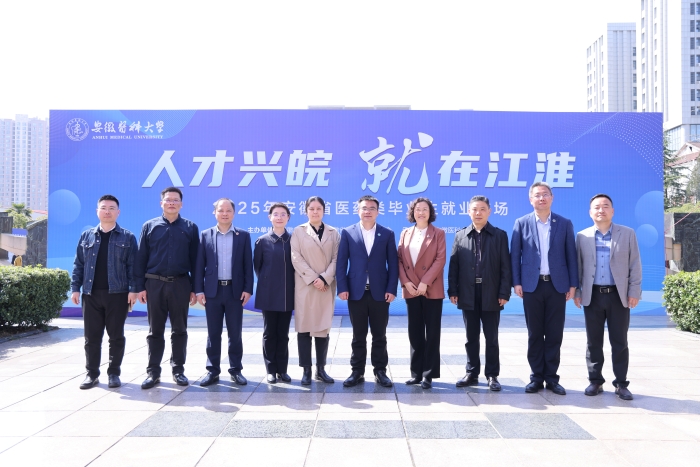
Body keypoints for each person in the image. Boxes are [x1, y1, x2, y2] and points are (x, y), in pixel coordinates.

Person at [511, 181, 578, 395]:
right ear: (530, 199)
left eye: (545, 194)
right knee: (535, 334)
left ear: (552, 198)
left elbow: (571, 255)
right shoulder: (521, 223)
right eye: (537, 195)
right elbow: (515, 256)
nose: (542, 198)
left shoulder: (564, 223)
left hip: (557, 286)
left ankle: (552, 378)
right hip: (532, 286)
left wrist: (573, 284)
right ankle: (536, 377)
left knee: (554, 334)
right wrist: (517, 282)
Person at [574, 194, 641, 401]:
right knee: (593, 341)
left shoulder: (627, 234)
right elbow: (578, 267)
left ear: (612, 211)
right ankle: (595, 381)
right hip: (592, 295)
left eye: (605, 206)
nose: (601, 210)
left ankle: (621, 383)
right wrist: (578, 292)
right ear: (590, 212)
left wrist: (634, 291)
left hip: (618, 295)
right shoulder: (582, 236)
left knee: (619, 341)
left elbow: (635, 264)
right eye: (596, 207)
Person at [70, 195, 138, 389]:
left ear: (118, 212)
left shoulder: (128, 237)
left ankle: (114, 374)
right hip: (90, 294)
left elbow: (133, 267)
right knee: (91, 337)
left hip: (118, 294)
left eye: (111, 208)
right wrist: (75, 288)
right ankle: (91, 374)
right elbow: (79, 264)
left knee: (116, 336)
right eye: (104, 208)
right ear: (97, 211)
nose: (107, 211)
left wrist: (133, 290)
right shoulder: (87, 236)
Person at [135, 187, 199, 389]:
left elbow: (196, 261)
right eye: (168, 200)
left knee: (180, 329)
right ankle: (153, 372)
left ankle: (178, 370)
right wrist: (139, 287)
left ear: (181, 204)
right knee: (155, 330)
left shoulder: (190, 227)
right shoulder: (149, 226)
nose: (172, 203)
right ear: (161, 203)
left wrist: (195, 288)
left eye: (175, 200)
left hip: (181, 284)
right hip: (154, 284)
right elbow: (141, 258)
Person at [448, 195, 511, 391]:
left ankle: (492, 375)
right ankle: (471, 372)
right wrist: (453, 290)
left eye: (482, 209)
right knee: (471, 337)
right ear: (469, 212)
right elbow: (454, 266)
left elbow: (505, 267)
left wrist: (504, 292)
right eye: (474, 209)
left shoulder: (499, 235)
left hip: (491, 293)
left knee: (491, 337)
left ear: (489, 211)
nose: (478, 213)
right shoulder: (460, 235)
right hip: (468, 292)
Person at [337, 195, 398, 388]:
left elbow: (393, 264)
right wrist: (342, 287)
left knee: (379, 335)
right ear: (358, 211)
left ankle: (380, 371)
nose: (368, 211)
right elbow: (341, 263)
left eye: (372, 208)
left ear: (378, 212)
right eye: (364, 208)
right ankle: (357, 372)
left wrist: (391, 289)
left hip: (380, 292)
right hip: (356, 292)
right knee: (358, 335)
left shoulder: (387, 233)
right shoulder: (348, 232)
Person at [194, 198, 253, 386]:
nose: (224, 213)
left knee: (235, 334)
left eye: (228, 210)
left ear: (234, 213)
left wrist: (248, 289)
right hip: (213, 291)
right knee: (213, 333)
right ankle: (212, 370)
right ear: (215, 213)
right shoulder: (205, 235)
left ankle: (236, 370)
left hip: (235, 292)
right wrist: (199, 290)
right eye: (221, 210)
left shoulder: (243, 236)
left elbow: (247, 265)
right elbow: (199, 266)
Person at [397, 197, 446, 389]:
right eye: (418, 209)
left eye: (425, 209)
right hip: (411, 289)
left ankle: (428, 374)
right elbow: (399, 260)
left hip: (431, 289)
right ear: (412, 212)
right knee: (415, 332)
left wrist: (425, 282)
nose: (421, 212)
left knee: (432, 333)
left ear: (430, 212)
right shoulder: (405, 233)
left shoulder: (438, 233)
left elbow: (440, 259)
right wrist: (406, 282)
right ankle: (416, 373)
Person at [291, 196, 340, 385]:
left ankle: (321, 369)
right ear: (306, 211)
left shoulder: (333, 233)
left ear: (324, 211)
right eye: (311, 208)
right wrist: (314, 278)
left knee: (322, 328)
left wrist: (324, 278)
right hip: (306, 285)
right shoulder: (298, 231)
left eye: (318, 208)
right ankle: (306, 369)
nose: (315, 212)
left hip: (325, 286)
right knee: (304, 328)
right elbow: (296, 257)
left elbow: (337, 258)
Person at [254, 202, 295, 384]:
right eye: (275, 214)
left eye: (283, 214)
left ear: (288, 218)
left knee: (283, 334)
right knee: (269, 333)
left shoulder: (293, 241)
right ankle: (271, 370)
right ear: (269, 217)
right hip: (268, 293)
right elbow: (258, 267)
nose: (279, 217)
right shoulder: (262, 241)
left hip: (287, 294)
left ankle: (282, 370)